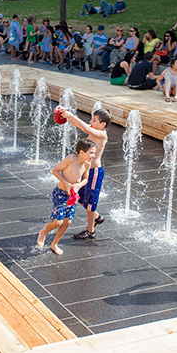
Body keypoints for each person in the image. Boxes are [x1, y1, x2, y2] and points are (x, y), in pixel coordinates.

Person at [53, 107, 111, 240]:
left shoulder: (102, 134)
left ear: (103, 125)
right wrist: (66, 116)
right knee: (77, 195)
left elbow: (85, 128)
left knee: (90, 201)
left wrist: (70, 115)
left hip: (94, 172)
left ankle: (90, 231)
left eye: (94, 120)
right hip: (86, 170)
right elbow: (80, 126)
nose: (91, 121)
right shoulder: (96, 131)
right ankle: (96, 216)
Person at [37, 139, 96, 255]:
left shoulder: (87, 164)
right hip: (60, 193)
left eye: (94, 153)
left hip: (72, 196)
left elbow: (85, 179)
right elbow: (55, 171)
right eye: (91, 153)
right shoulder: (70, 159)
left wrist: (79, 185)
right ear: (81, 152)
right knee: (58, 222)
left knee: (67, 222)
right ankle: (43, 232)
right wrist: (66, 183)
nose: (93, 156)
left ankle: (54, 244)